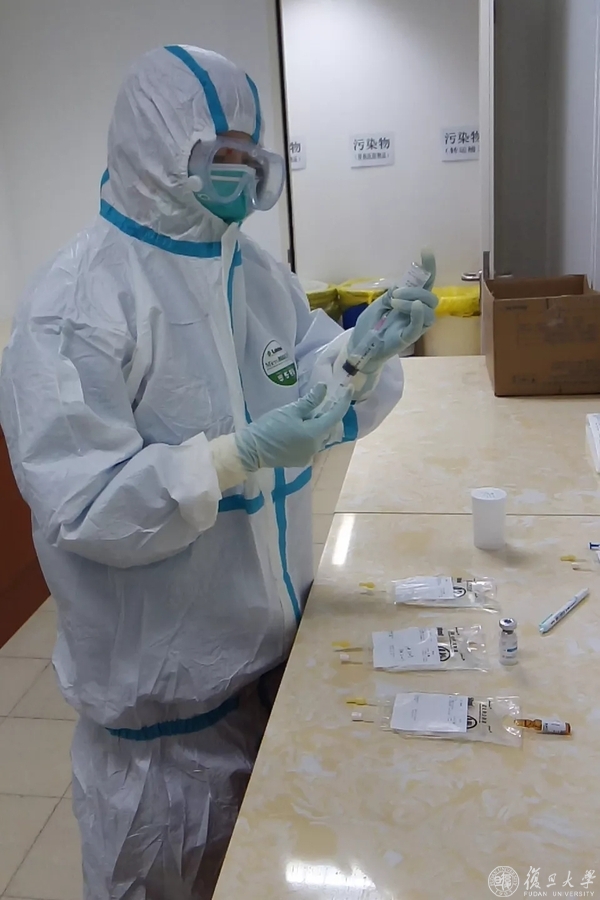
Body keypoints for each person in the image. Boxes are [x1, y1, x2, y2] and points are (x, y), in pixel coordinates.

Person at [0, 45, 437, 900]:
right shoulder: (75, 307)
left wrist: (361, 354)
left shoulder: (254, 272)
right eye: (218, 153)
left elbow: (309, 390)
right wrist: (236, 456)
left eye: (249, 154)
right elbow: (84, 508)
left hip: (269, 685)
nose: (238, 172)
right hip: (160, 749)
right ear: (154, 148)